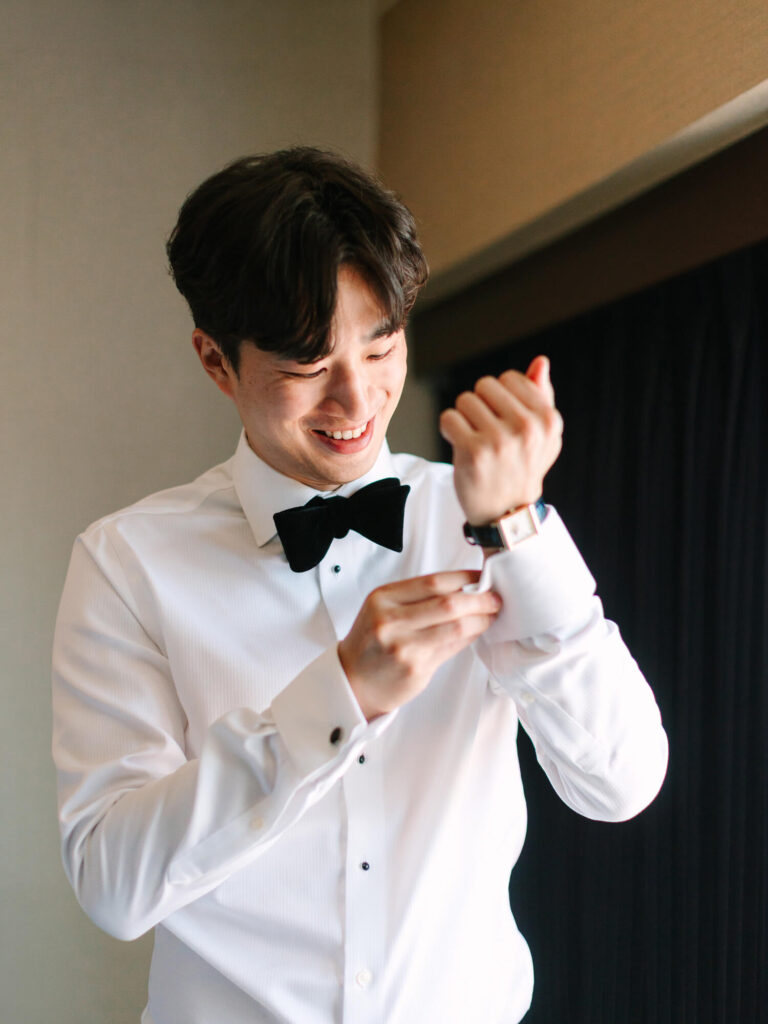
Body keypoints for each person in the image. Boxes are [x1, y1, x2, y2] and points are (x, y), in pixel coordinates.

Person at [52, 147, 668, 1024]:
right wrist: (336, 699)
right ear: (216, 361)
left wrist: (519, 530)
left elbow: (622, 782)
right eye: (307, 367)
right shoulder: (126, 563)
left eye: (381, 348)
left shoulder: (482, 516)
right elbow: (114, 886)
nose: (356, 401)